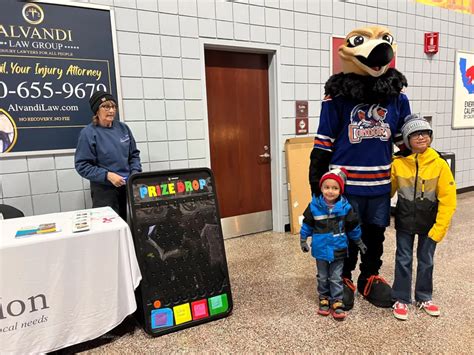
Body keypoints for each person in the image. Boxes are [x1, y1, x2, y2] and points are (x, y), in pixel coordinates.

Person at [309, 26, 412, 309]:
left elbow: (403, 140)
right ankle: (343, 277)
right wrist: (316, 183)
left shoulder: (397, 98)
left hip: (379, 185)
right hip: (345, 186)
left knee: (375, 234)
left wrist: (425, 157)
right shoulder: (337, 98)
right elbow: (323, 143)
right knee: (345, 235)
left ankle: (369, 276)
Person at [390, 115, 456, 320]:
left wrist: (440, 228)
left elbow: (448, 199)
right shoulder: (398, 164)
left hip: (430, 223)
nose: (422, 137)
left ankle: (424, 296)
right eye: (416, 134)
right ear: (407, 139)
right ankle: (401, 298)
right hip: (404, 221)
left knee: (426, 260)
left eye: (426, 133)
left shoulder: (440, 164)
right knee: (403, 259)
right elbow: (386, 192)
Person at [300, 168, 367, 320]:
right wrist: (303, 239)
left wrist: (359, 241)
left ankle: (337, 300)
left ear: (340, 190)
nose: (330, 191)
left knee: (336, 277)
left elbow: (353, 227)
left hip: (338, 248)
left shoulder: (346, 208)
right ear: (322, 188)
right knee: (323, 276)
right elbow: (307, 225)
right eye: (327, 187)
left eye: (335, 188)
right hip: (320, 249)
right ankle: (323, 297)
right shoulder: (313, 207)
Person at [75, 91, 141, 220]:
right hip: (104, 191)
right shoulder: (88, 133)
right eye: (106, 106)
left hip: (127, 187)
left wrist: (134, 174)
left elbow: (134, 155)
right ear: (96, 111)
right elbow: (82, 165)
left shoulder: (123, 128)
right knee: (108, 227)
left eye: (113, 107)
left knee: (130, 226)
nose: (111, 110)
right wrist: (107, 175)